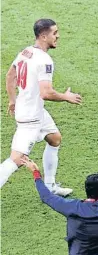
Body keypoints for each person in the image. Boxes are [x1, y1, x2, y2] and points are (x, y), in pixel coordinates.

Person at [0, 19, 82, 195]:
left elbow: (10, 76)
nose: (58, 36)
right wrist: (66, 97)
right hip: (31, 117)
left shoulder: (26, 52)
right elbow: (47, 93)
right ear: (44, 36)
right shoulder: (45, 60)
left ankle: (50, 186)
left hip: (32, 109)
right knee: (17, 159)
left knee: (54, 138)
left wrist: (12, 100)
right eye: (54, 33)